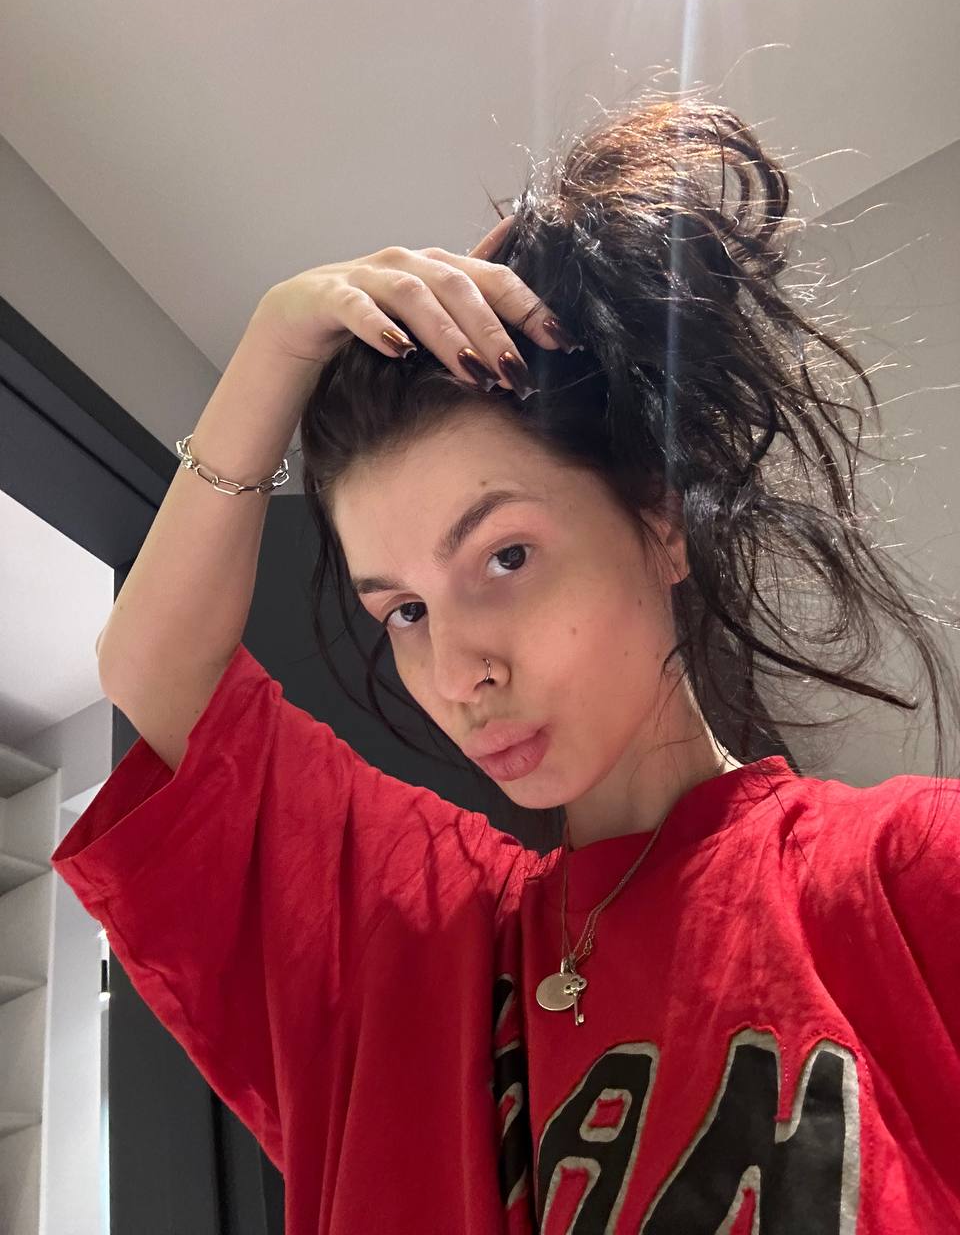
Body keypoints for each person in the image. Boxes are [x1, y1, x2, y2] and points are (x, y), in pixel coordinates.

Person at [52, 95, 960, 1233]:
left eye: (505, 556)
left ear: (660, 520)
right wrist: (278, 338)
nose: (458, 670)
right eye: (405, 611)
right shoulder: (414, 934)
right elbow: (149, 670)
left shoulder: (902, 880)